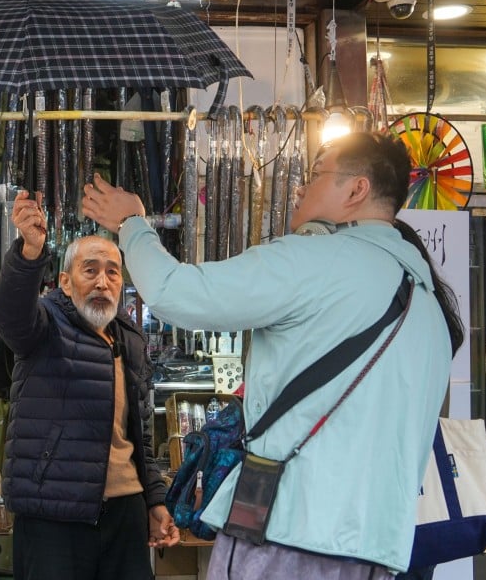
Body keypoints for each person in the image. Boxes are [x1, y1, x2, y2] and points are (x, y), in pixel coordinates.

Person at [82, 131, 464, 579]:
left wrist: (132, 225)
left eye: (317, 174)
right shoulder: (430, 307)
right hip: (379, 551)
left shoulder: (316, 259)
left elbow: (174, 293)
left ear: (357, 190)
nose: (301, 188)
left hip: (289, 536)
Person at [0, 190, 179, 580]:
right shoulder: (44, 323)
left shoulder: (130, 338)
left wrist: (154, 500)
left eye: (112, 271)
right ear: (64, 281)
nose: (102, 281)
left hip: (125, 508)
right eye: (89, 270)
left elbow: (139, 432)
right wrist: (29, 252)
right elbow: (10, 315)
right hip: (54, 512)